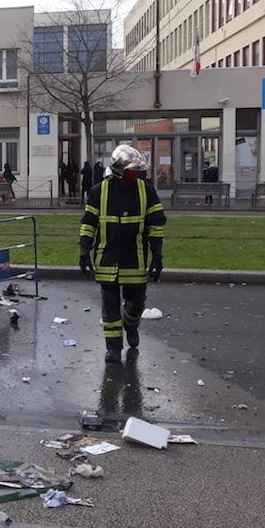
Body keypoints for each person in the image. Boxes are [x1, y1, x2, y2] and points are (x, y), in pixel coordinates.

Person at [79, 144, 166, 364]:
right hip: (107, 257)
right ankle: (113, 348)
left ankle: (131, 325)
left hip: (134, 258)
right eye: (132, 171)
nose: (137, 174)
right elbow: (88, 224)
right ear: (118, 170)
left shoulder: (146, 191)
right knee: (110, 307)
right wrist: (84, 253)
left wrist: (157, 256)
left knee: (136, 304)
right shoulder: (99, 191)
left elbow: (156, 225)